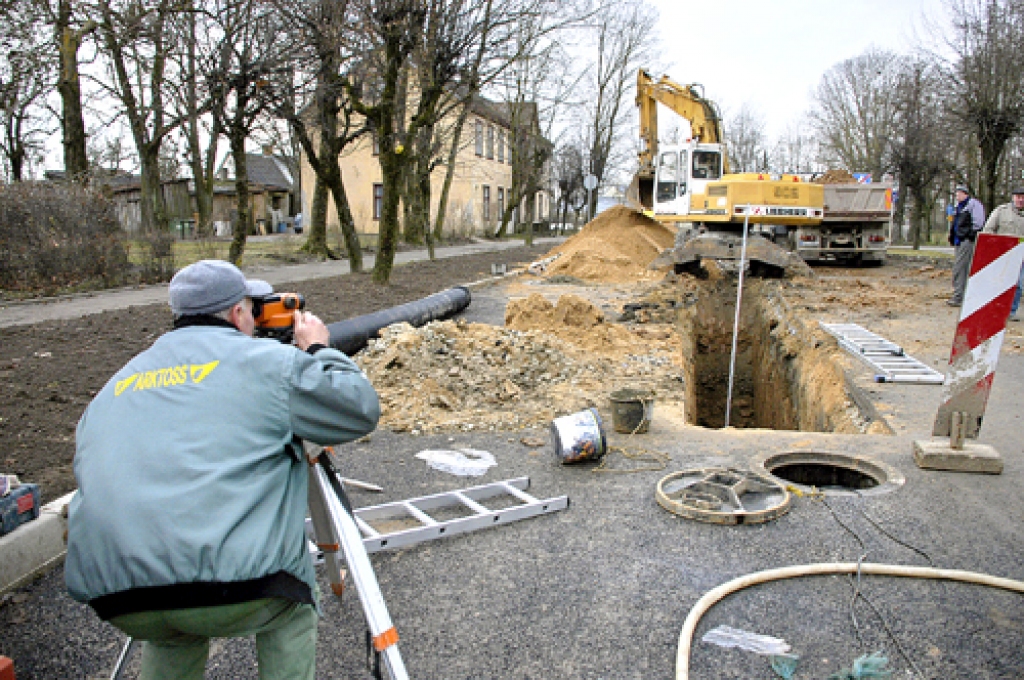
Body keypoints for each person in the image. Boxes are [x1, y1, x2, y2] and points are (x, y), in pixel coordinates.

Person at [65, 259, 380, 680]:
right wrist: (318, 349)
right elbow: (359, 409)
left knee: (172, 630)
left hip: (116, 594)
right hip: (239, 592)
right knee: (292, 606)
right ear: (237, 313)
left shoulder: (118, 382)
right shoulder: (268, 363)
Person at [982, 187, 1024, 321]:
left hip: (1021, 256)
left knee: (1018, 285)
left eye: (1023, 197)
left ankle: (1011, 311)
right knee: (998, 283)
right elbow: (988, 230)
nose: (1021, 199)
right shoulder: (1001, 211)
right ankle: (994, 308)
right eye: (1018, 196)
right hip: (1002, 254)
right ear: (1013, 197)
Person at [947, 185, 986, 306]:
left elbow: (978, 223)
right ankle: (961, 294)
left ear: (965, 194)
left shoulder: (972, 205)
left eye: (959, 193)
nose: (957, 196)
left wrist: (969, 235)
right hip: (959, 240)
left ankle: (959, 296)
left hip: (966, 240)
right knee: (960, 268)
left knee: (961, 268)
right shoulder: (958, 207)